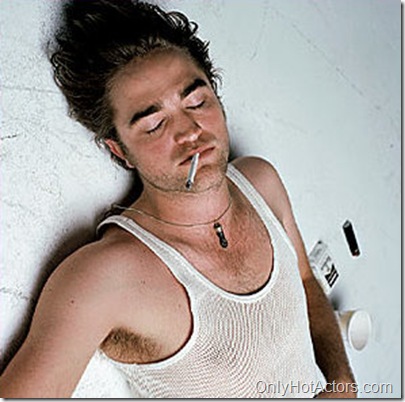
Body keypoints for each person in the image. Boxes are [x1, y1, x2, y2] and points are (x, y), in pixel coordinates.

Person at [0, 0, 356, 398]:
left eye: (197, 102)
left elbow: (305, 280)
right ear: (120, 151)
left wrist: (342, 380)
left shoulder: (261, 181)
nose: (189, 131)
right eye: (154, 124)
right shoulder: (106, 277)